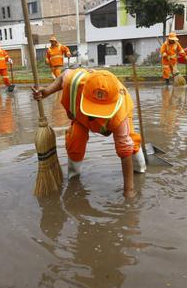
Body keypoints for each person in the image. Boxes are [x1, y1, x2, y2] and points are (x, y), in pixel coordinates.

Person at [32, 68, 146, 198]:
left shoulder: (120, 115)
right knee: (75, 138)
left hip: (116, 115)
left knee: (130, 143)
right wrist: (47, 91)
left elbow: (124, 152)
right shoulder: (75, 82)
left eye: (101, 111)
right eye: (94, 109)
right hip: (81, 115)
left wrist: (129, 191)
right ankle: (73, 177)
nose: (96, 116)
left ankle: (140, 169)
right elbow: (64, 76)